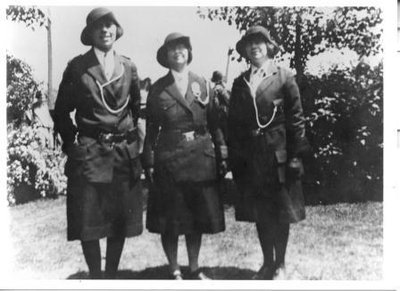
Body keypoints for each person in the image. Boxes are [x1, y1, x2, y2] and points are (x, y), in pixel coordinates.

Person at [54, 7, 143, 279]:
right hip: (90, 153)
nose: (105, 30)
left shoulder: (128, 66)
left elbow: (135, 109)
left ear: (116, 31)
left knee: (119, 220)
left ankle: (111, 275)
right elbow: (61, 111)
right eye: (99, 26)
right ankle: (95, 276)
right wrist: (72, 145)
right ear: (90, 33)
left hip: (121, 154)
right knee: (88, 220)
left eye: (110, 25)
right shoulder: (77, 67)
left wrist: (129, 140)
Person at [142, 32, 227, 280]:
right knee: (171, 220)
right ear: (166, 57)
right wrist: (148, 160)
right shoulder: (158, 89)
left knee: (196, 217)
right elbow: (151, 131)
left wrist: (222, 152)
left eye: (182, 48)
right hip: (170, 159)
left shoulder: (203, 84)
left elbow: (215, 123)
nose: (178, 52)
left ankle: (194, 267)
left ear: (189, 53)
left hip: (200, 158)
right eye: (172, 49)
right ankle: (174, 268)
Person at [228, 26, 310, 280]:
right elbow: (234, 124)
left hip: (278, 155)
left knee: (281, 211)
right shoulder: (240, 82)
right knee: (261, 212)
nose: (255, 47)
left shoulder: (284, 76)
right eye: (250, 44)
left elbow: (296, 120)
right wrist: (236, 159)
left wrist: (296, 156)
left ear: (269, 46)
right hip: (253, 158)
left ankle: (281, 265)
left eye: (260, 43)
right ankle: (266, 263)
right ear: (245, 51)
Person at [211, 70, 230, 141]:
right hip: (223, 115)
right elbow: (229, 101)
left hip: (219, 116)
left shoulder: (214, 89)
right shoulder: (219, 89)